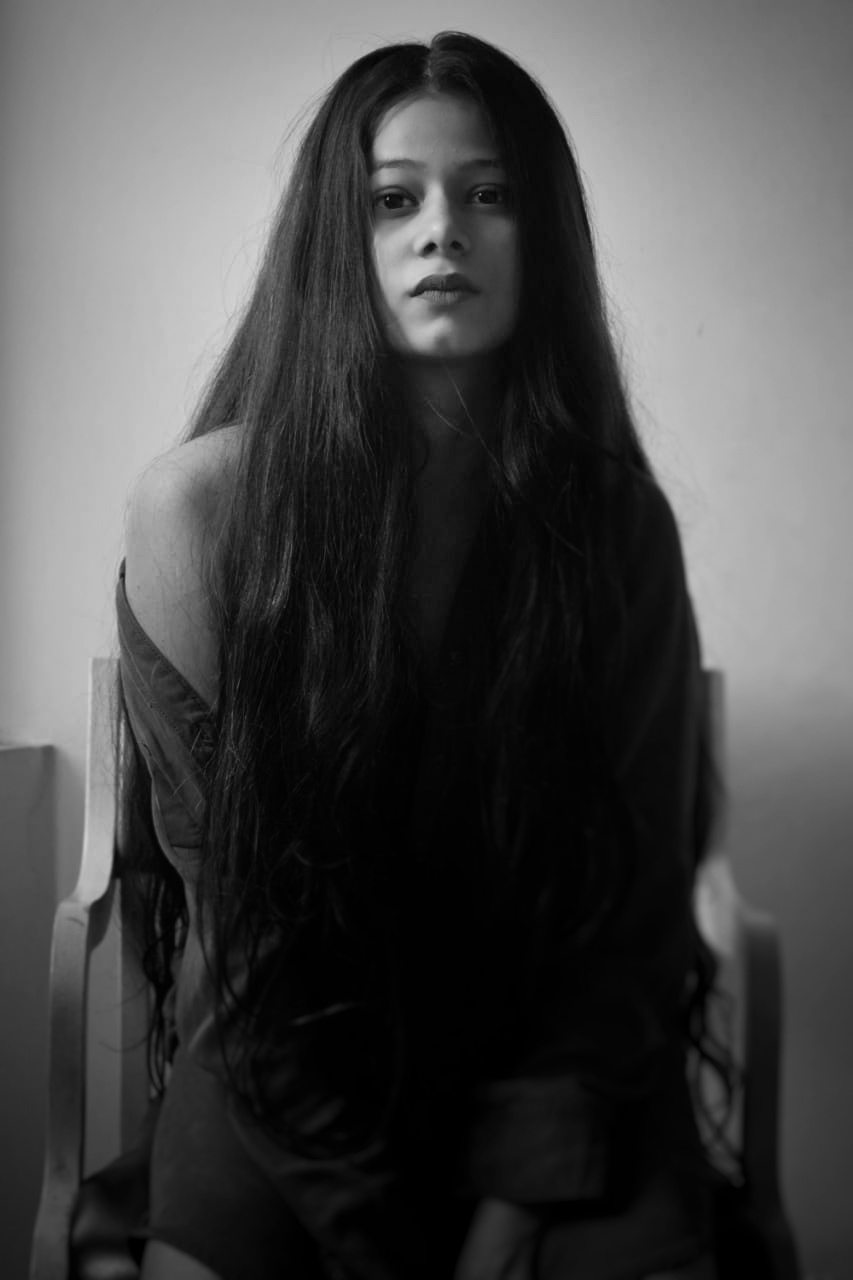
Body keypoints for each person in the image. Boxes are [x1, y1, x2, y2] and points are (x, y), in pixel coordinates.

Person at [118, 30, 723, 1280]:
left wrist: (512, 1202)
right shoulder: (198, 509)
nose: (442, 230)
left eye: (489, 193)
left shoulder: (617, 524)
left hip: (551, 1064)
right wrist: (380, 1241)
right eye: (393, 199)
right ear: (331, 240)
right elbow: (245, 934)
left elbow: (630, 912)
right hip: (286, 1060)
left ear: (542, 235)